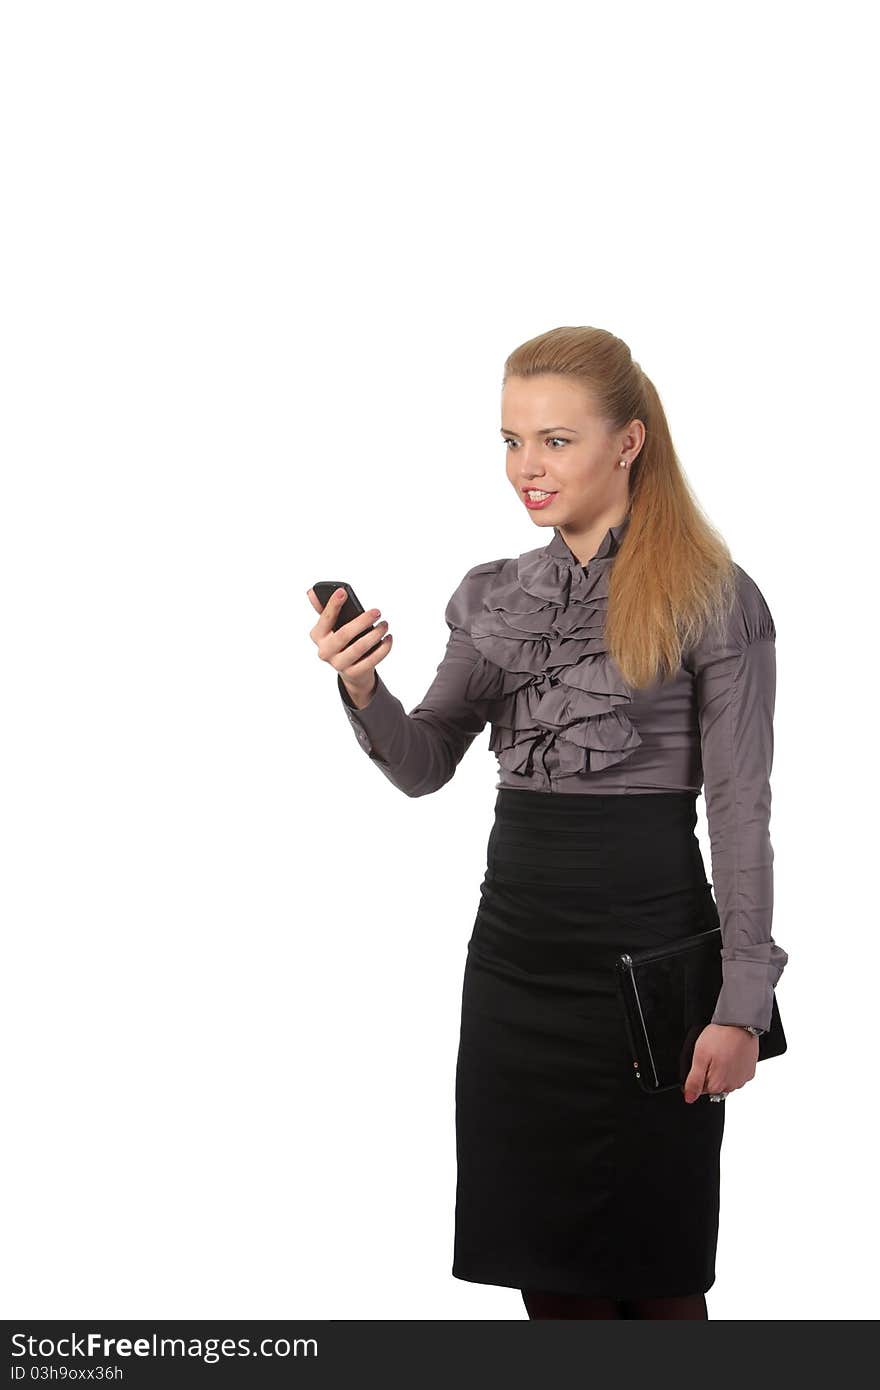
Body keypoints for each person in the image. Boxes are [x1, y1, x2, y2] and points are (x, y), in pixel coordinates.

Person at [307, 325, 788, 1320]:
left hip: (650, 953)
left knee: (658, 1278)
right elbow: (424, 762)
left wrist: (742, 1001)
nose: (527, 467)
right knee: (549, 1278)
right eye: (511, 440)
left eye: (555, 440)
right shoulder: (496, 596)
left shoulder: (714, 599)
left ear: (628, 441)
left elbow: (740, 807)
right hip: (517, 958)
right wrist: (362, 685)